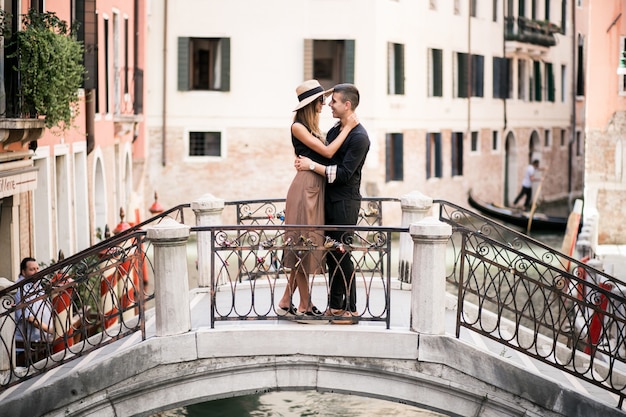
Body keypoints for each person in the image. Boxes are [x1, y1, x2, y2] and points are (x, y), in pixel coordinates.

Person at [277, 80, 359, 321]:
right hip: (304, 190)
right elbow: (328, 153)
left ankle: (286, 300)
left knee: (306, 244)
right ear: (311, 103)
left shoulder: (313, 128)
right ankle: (304, 303)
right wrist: (348, 128)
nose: (324, 104)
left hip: (316, 189)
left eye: (326, 100)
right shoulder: (298, 127)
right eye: (321, 100)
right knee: (302, 245)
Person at [295, 83, 370, 324]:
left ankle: (350, 309)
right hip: (330, 200)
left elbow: (344, 173)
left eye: (334, 101)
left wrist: (311, 166)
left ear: (347, 105)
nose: (329, 105)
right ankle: (336, 307)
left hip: (345, 202)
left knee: (342, 254)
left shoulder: (360, 137)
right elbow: (327, 154)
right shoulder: (335, 131)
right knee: (331, 255)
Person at [15, 257, 54, 364]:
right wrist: (50, 330)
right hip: (28, 346)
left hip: (43, 340)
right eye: (32, 269)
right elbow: (29, 318)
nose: (36, 272)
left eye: (37, 268)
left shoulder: (36, 284)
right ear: (23, 272)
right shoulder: (20, 289)